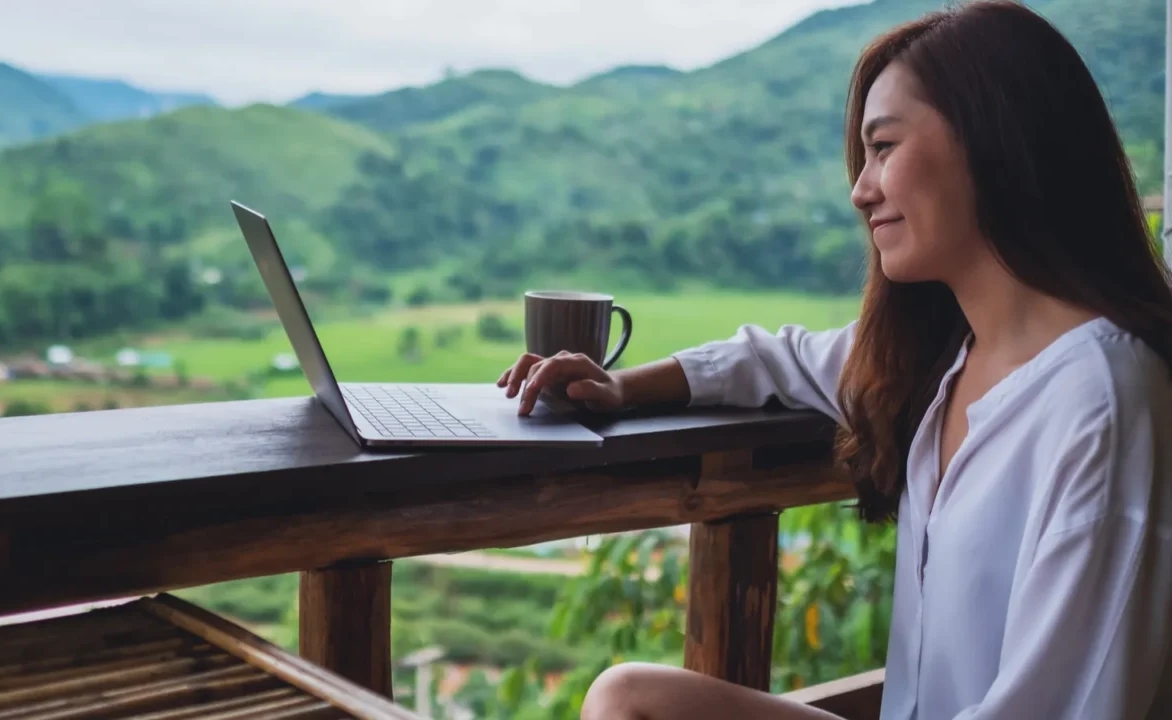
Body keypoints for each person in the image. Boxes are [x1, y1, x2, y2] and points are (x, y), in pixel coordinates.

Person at [497, 2, 1172, 718]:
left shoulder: (1102, 404)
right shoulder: (948, 356)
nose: (861, 189)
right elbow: (776, 359)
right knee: (627, 694)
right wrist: (622, 387)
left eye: (884, 148)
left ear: (992, 141)